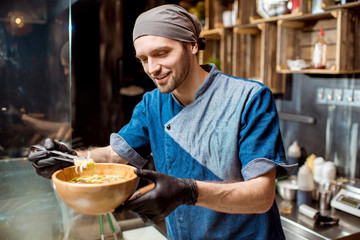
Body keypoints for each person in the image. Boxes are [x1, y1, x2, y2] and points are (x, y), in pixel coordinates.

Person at [28, 4, 295, 239]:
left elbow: (262, 195)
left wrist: (187, 191)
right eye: (143, 59)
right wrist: (71, 159)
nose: (151, 68)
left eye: (162, 53)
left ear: (192, 45)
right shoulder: (152, 105)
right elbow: (115, 156)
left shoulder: (248, 98)